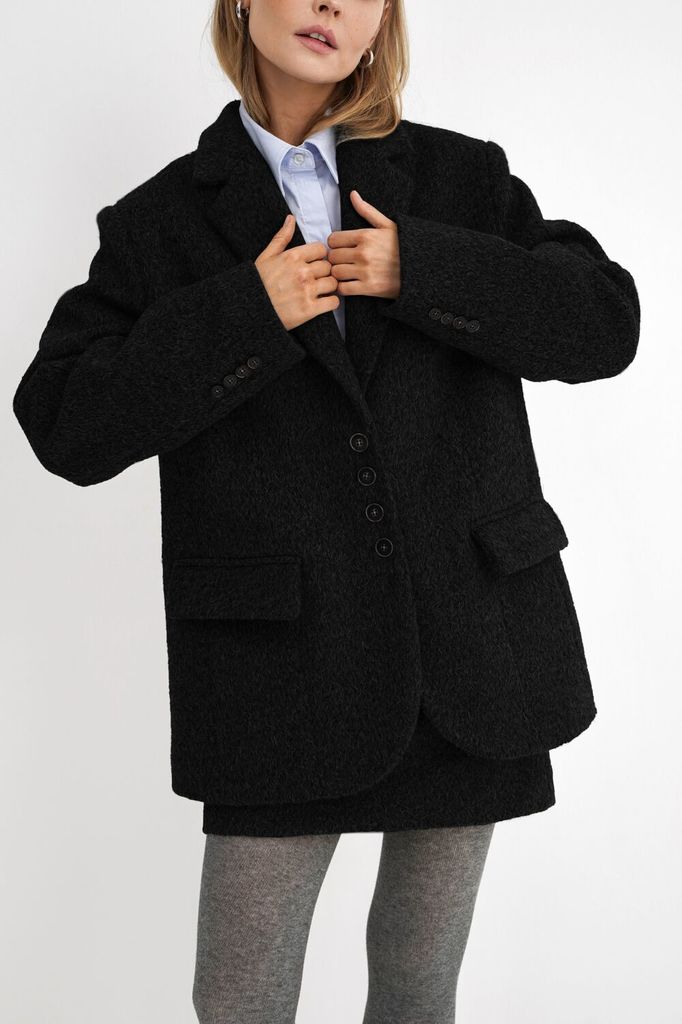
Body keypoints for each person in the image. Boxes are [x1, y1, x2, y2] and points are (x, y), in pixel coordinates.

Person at [12, 0, 640, 1020]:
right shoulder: (159, 223)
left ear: (382, 22)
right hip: (279, 673)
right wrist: (245, 313)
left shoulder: (460, 179)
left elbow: (604, 322)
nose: (330, 4)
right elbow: (64, 423)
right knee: (239, 1001)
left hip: (467, 652)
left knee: (418, 987)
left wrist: (422, 268)